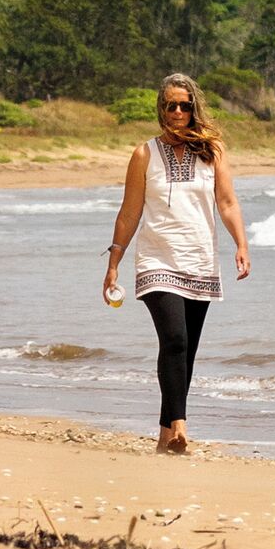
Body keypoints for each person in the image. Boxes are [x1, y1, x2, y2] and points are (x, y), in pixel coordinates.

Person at [99, 73, 249, 453]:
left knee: (185, 351)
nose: (178, 112)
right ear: (161, 109)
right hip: (156, 259)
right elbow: (129, 212)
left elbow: (227, 202)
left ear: (193, 107)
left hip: (199, 259)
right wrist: (114, 262)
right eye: (171, 105)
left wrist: (241, 244)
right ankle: (181, 425)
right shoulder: (144, 154)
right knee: (175, 339)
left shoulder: (212, 151)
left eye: (185, 105)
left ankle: (165, 435)